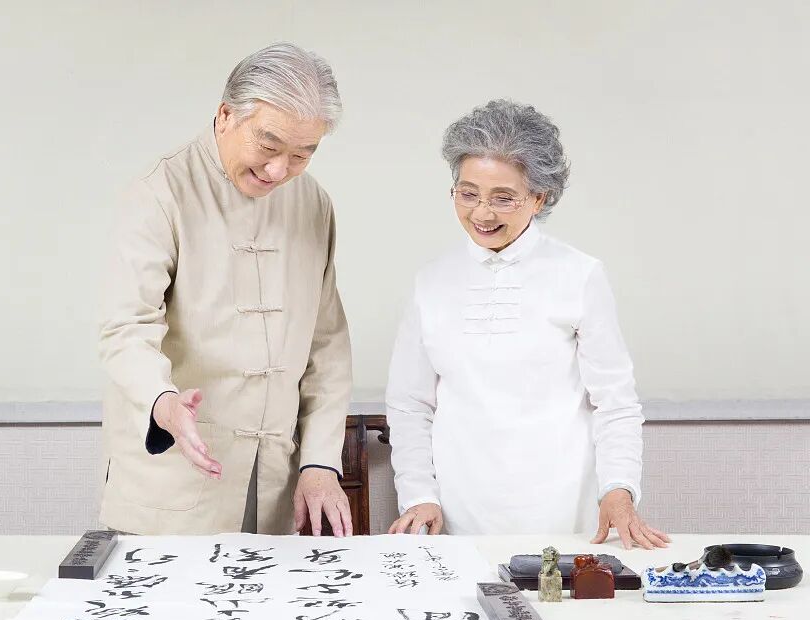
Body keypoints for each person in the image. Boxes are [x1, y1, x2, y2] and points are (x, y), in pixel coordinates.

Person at [386, 100, 670, 549]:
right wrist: (419, 495)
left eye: (503, 198)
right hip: (459, 516)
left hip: (565, 513)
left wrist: (619, 489)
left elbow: (615, 403)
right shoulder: (431, 282)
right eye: (468, 194)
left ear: (539, 198)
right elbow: (409, 405)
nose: (482, 213)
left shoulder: (579, 274)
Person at [99, 43, 353, 537]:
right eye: (269, 146)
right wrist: (162, 400)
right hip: (174, 480)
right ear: (226, 115)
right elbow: (126, 327)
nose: (279, 170)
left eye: (302, 154)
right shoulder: (160, 192)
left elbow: (327, 345)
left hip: (273, 482)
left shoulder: (312, 203)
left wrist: (320, 461)